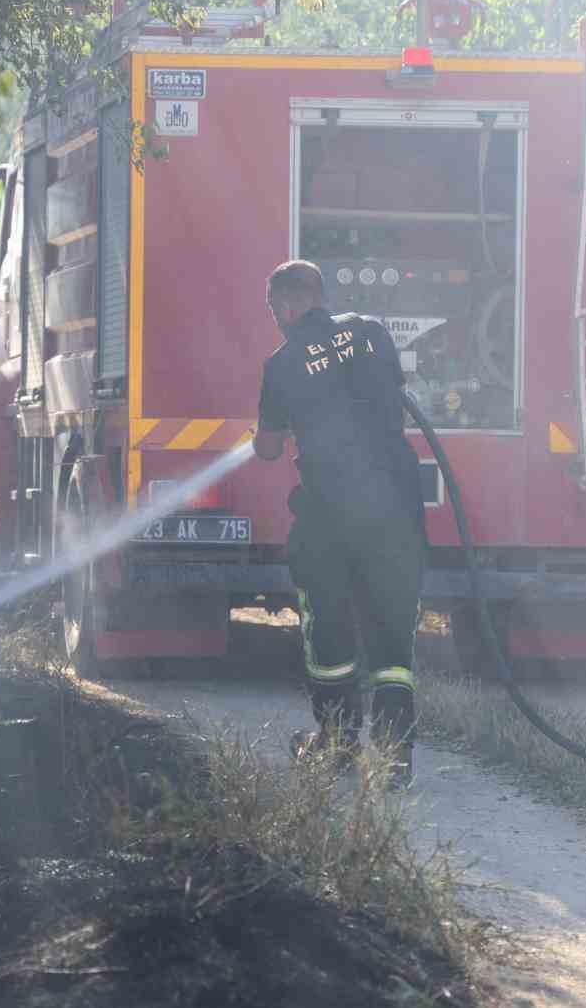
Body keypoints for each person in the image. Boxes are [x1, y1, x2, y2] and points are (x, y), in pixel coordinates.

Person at [253, 260, 426, 788]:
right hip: (394, 510)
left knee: (328, 633)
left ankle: (338, 745)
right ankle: (395, 759)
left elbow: (267, 447)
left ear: (285, 305)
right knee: (393, 642)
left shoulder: (280, 364)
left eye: (274, 311)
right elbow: (388, 399)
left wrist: (264, 434)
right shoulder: (371, 332)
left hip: (329, 518)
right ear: (320, 294)